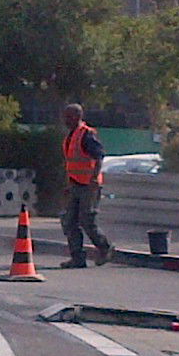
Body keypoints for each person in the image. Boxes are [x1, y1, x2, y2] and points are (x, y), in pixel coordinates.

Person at [60, 103, 113, 269]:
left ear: (77, 116)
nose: (65, 120)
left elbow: (99, 156)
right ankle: (77, 258)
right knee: (69, 221)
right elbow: (73, 163)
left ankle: (105, 248)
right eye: (65, 116)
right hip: (76, 184)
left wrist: (95, 178)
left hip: (89, 186)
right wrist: (69, 183)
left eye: (69, 117)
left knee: (87, 220)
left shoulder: (86, 135)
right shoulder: (71, 136)